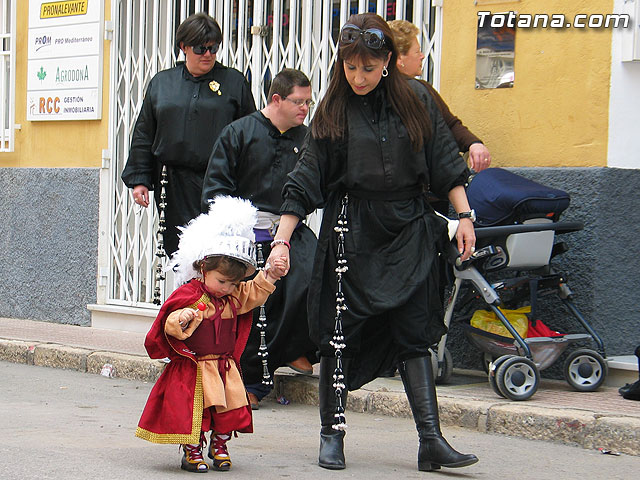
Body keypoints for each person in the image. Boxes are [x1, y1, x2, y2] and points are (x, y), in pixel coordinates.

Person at [267, 13, 479, 472]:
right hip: (352, 232)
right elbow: (305, 181)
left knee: (414, 335)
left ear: (387, 61)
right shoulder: (334, 110)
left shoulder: (417, 99)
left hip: (409, 230)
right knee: (339, 338)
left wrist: (464, 216)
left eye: (368, 67)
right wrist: (282, 241)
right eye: (350, 67)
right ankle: (332, 436)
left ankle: (431, 440)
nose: (358, 77)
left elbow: (444, 161)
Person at [135, 196, 287, 473]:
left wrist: (272, 275)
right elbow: (169, 321)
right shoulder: (189, 294)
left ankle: (219, 446)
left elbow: (253, 292)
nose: (227, 288)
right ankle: (192, 449)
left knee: (227, 410)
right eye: (222, 281)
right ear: (203, 268)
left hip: (223, 366)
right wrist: (182, 319)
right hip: (196, 368)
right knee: (198, 411)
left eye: (233, 283)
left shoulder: (233, 296)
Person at [201, 68, 318, 409]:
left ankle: (295, 348)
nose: (305, 109)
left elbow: (315, 187)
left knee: (311, 279)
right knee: (252, 303)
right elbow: (215, 189)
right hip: (243, 233)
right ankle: (249, 381)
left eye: (309, 102)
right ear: (276, 99)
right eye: (299, 101)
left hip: (290, 229)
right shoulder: (239, 133)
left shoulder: (307, 138)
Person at [122, 12, 256, 257]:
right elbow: (144, 133)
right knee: (181, 252)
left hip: (220, 180)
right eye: (200, 48)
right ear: (183, 47)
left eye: (213, 48)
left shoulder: (234, 82)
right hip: (173, 182)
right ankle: (187, 296)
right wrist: (140, 178)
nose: (207, 54)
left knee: (218, 254)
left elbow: (250, 134)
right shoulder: (162, 83)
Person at [389, 19, 491, 173]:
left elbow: (449, 124)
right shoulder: (403, 92)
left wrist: (474, 143)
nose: (423, 56)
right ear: (399, 59)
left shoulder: (424, 90)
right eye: (417, 51)